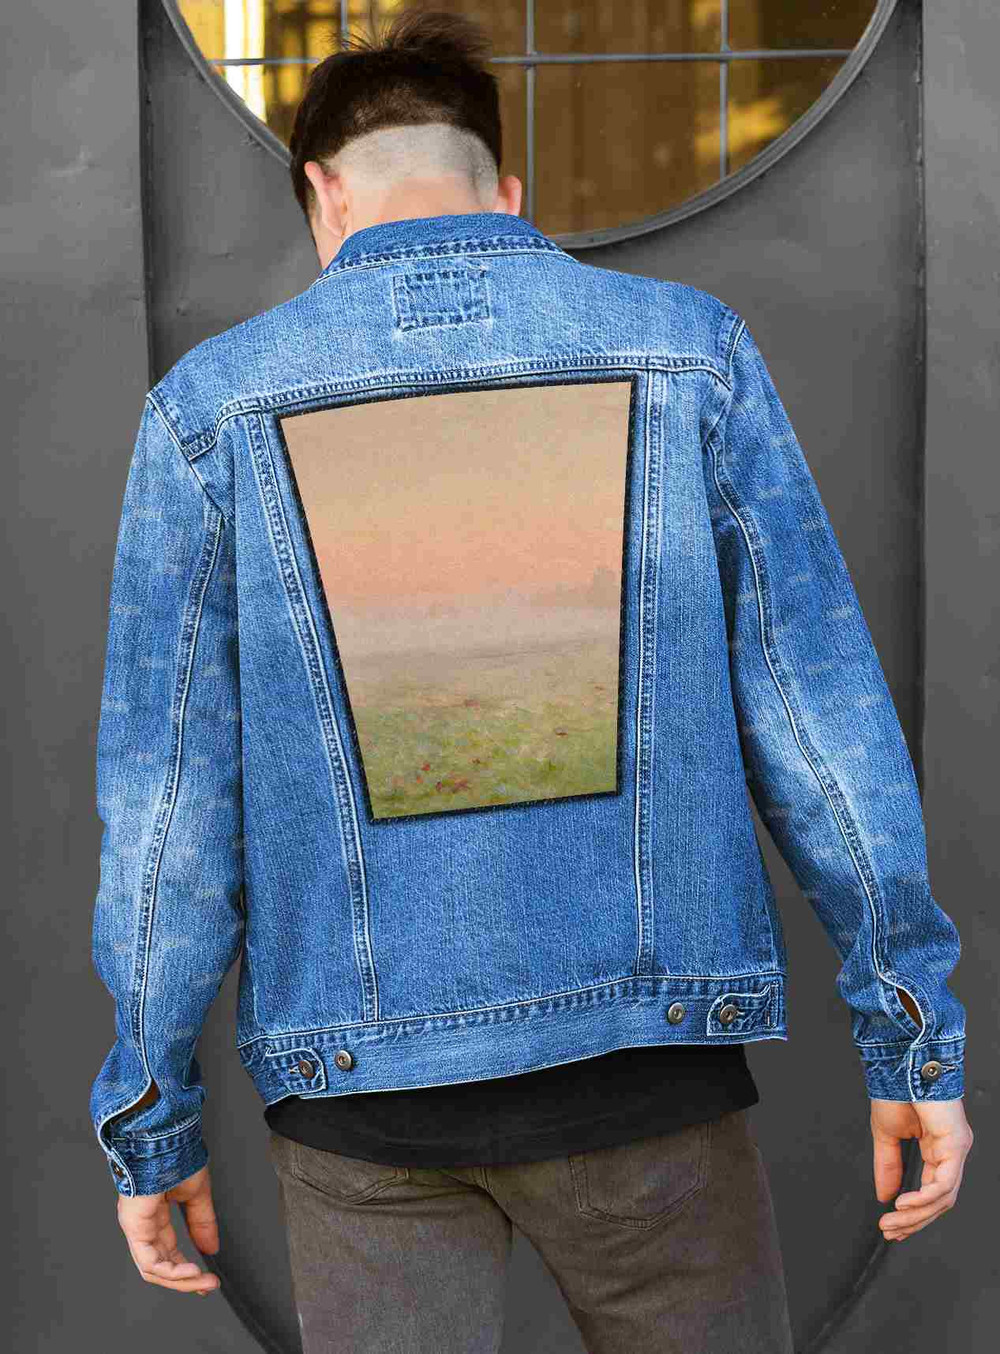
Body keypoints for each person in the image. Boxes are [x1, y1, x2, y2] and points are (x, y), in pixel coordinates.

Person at [89, 8, 973, 1351]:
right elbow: (821, 733)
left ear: (325, 193)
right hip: (648, 1081)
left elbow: (168, 821)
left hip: (360, 1103)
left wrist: (150, 1117)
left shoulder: (211, 413)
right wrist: (912, 1037)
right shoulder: (689, 353)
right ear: (507, 190)